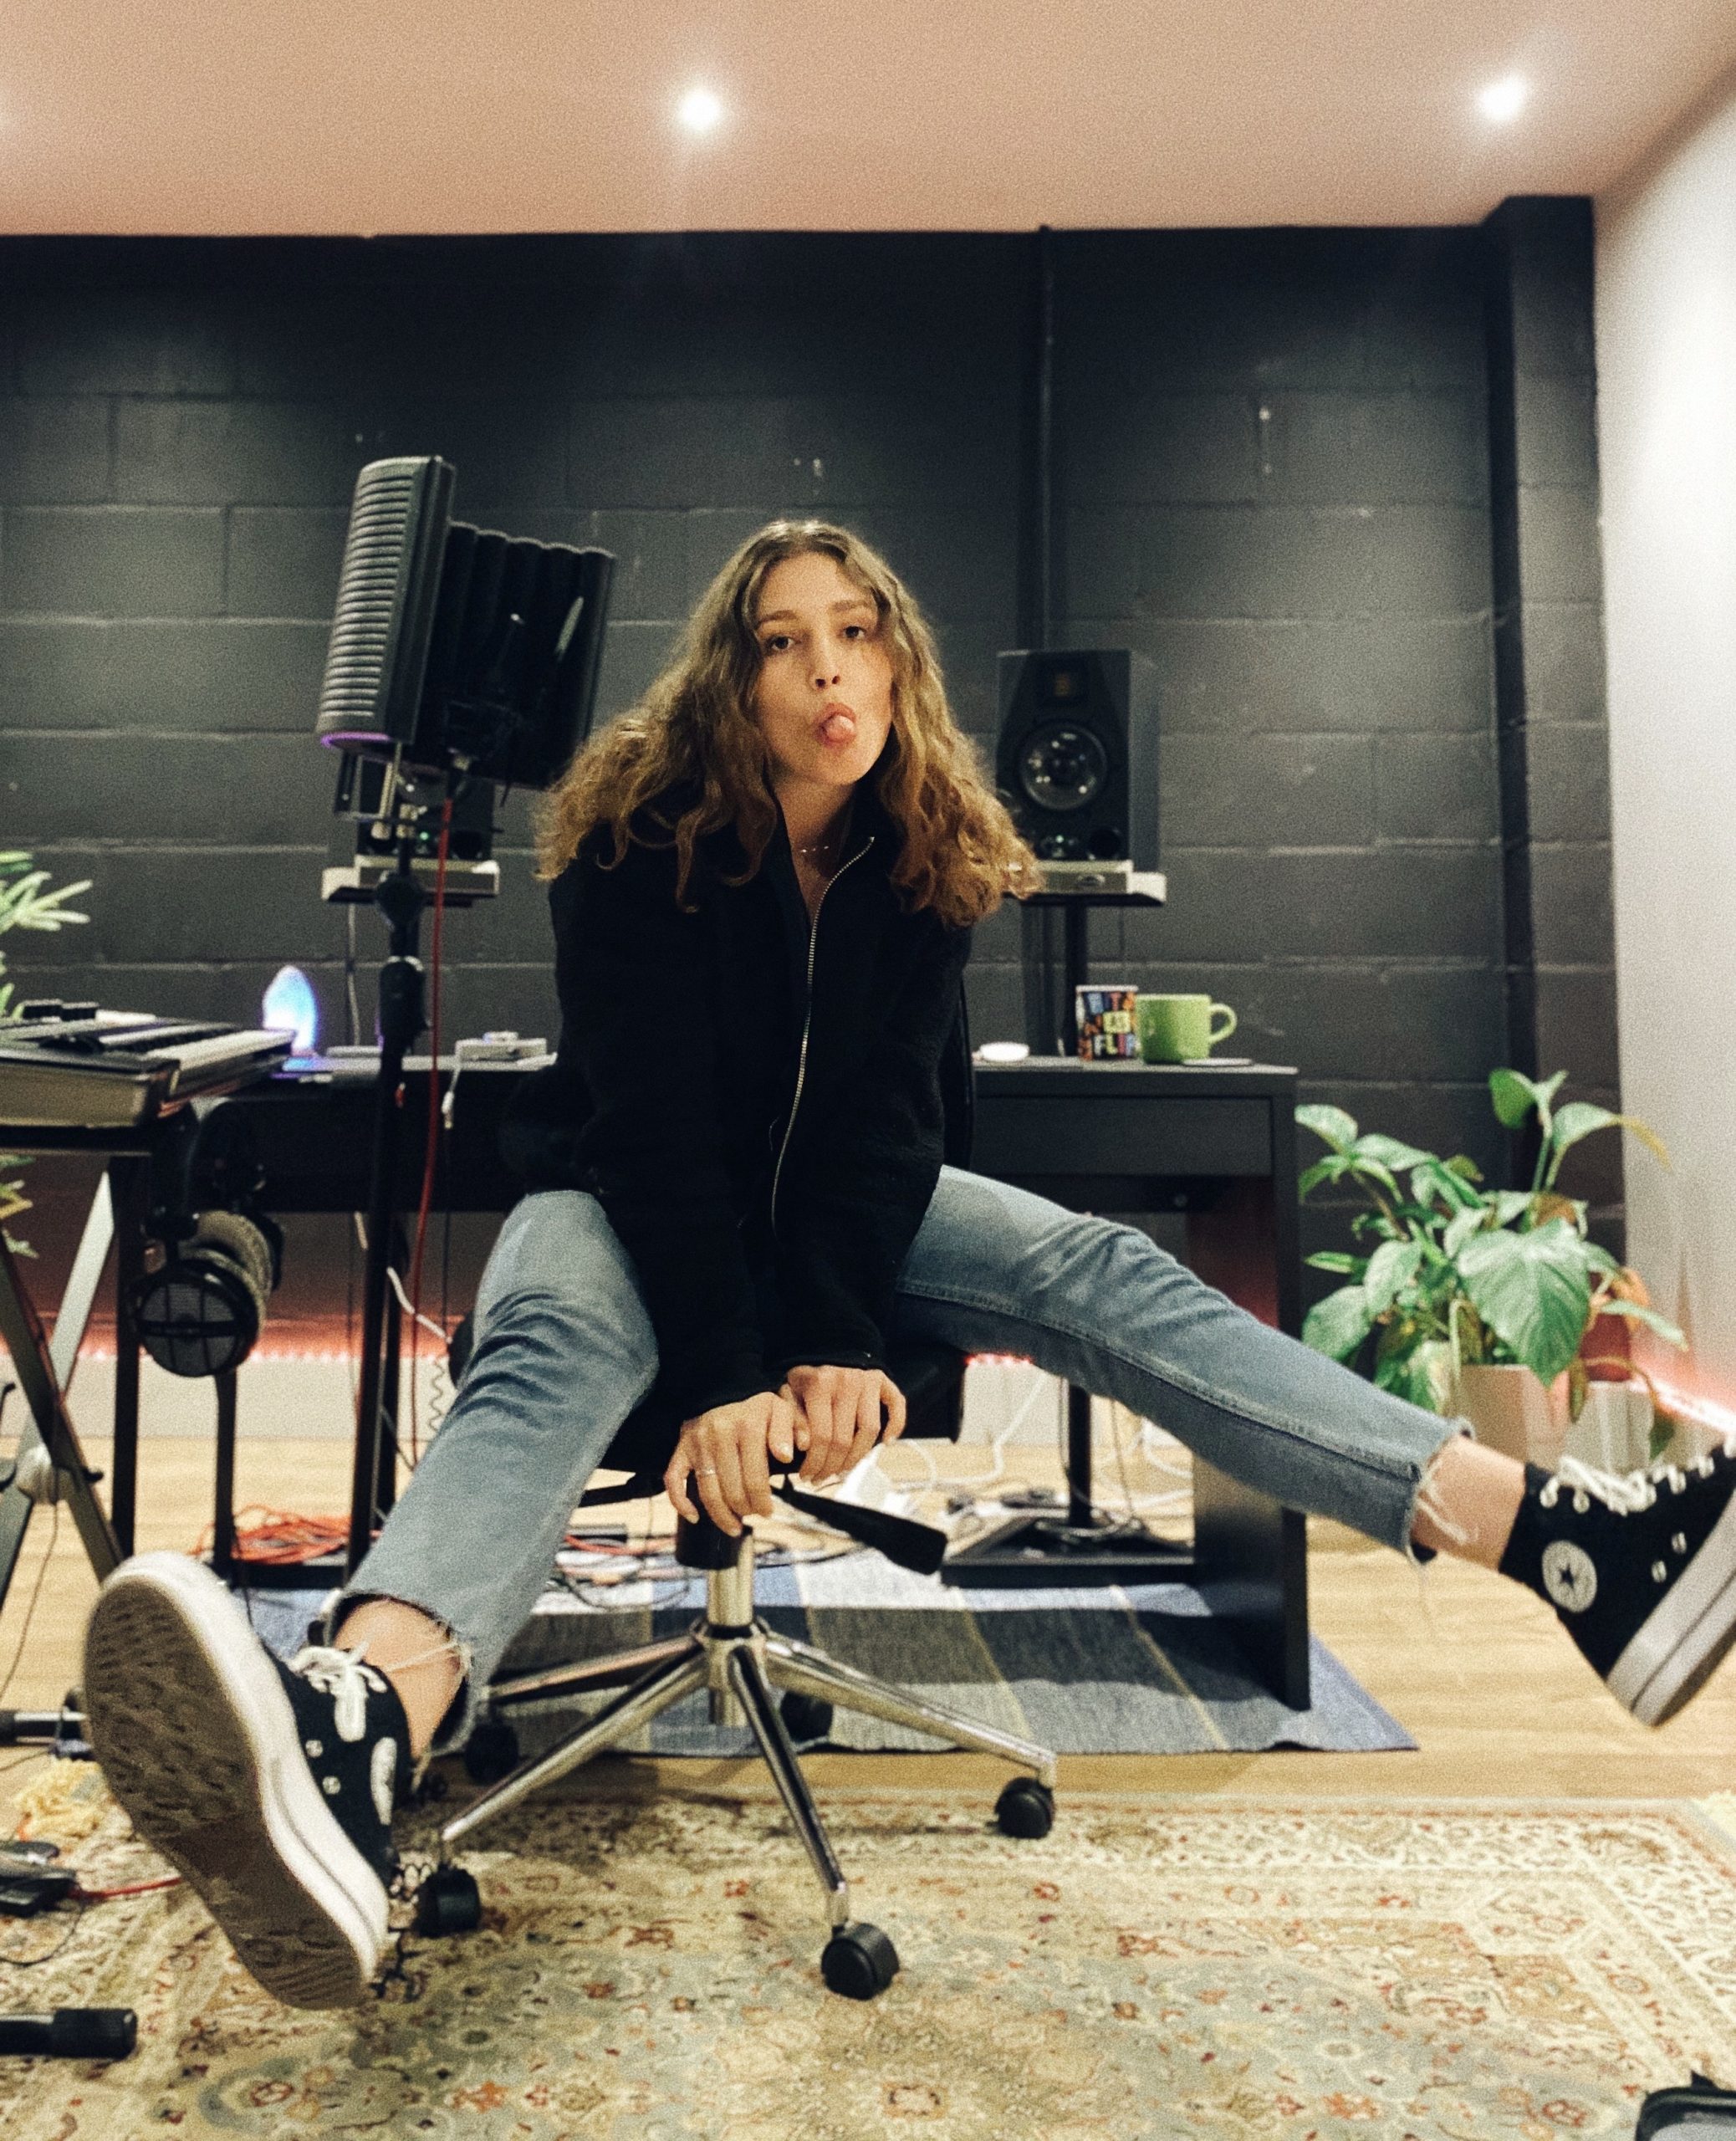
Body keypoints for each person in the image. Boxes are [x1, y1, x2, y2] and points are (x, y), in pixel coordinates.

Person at [83, 520, 1736, 2011]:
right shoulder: (637, 832)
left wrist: (835, 1335)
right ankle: (359, 1723)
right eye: (787, 640)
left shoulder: (931, 846)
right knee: (550, 1338)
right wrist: (729, 1372)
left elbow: (886, 1131)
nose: (829, 668)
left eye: (857, 632)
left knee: (1099, 1267)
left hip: (838, 1218)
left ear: (896, 662)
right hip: (623, 1207)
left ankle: (1567, 1541)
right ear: (736, 679)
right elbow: (656, 1137)